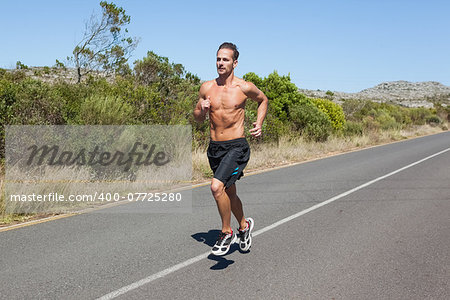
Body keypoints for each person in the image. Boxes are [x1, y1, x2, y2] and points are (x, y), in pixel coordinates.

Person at [194, 42, 268, 256]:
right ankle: (244, 227)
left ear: (235, 63)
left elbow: (263, 100)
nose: (220, 63)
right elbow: (198, 119)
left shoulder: (244, 87)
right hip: (215, 148)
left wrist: (259, 123)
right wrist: (201, 108)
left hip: (237, 147)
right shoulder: (207, 88)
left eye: (225, 59)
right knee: (229, 192)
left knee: (217, 187)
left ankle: (226, 232)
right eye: (218, 59)